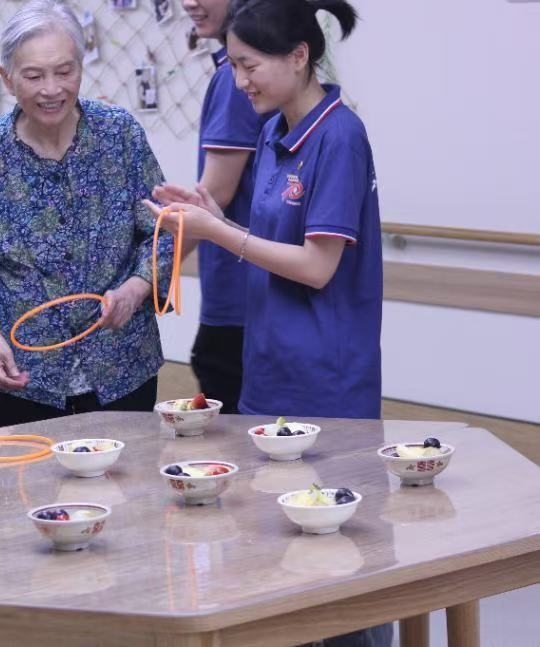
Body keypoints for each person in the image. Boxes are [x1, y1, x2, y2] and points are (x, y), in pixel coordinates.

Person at [146, 1, 387, 641]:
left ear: (299, 56)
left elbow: (317, 266)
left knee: (344, 576)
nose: (240, 81)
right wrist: (209, 209)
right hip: (270, 374)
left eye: (249, 66)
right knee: (280, 563)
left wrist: (218, 231)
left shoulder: (339, 136)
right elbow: (269, 237)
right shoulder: (276, 132)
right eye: (233, 65)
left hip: (327, 385)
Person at [0, 0, 172, 427]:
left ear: (81, 68)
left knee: (131, 470)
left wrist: (135, 290)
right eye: (34, 76)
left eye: (65, 71)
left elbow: (163, 229)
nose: (52, 89)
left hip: (121, 362)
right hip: (26, 373)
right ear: (7, 78)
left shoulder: (119, 134)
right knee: (35, 472)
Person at [155, 0, 270, 414]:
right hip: (254, 292)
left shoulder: (234, 82)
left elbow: (213, 198)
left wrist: (144, 280)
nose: (189, 2)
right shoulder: (240, 76)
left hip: (241, 299)